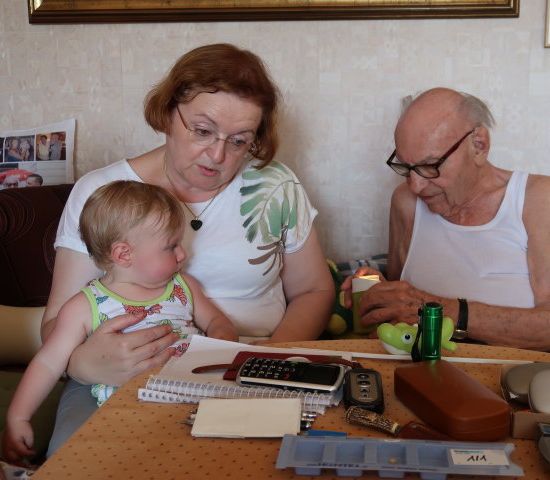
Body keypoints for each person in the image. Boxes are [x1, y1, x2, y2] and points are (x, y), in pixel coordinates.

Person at [43, 43, 334, 456]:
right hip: (115, 379)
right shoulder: (101, 192)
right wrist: (80, 364)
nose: (217, 155)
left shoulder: (276, 188)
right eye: (202, 131)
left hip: (252, 367)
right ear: (167, 113)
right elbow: (56, 321)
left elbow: (314, 291)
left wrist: (270, 361)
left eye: (239, 141)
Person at [2, 180, 238, 463]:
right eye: (171, 246)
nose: (182, 254)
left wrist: (221, 342)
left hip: (195, 393)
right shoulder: (84, 306)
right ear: (124, 254)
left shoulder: (183, 286)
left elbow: (218, 323)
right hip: (125, 409)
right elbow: (47, 363)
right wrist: (18, 417)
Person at [343, 87, 550, 355]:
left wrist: (441, 310)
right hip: (426, 373)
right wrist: (377, 290)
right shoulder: (405, 202)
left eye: (431, 165)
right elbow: (402, 303)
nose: (415, 186)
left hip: (516, 377)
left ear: (478, 145)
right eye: (405, 167)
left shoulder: (536, 197)